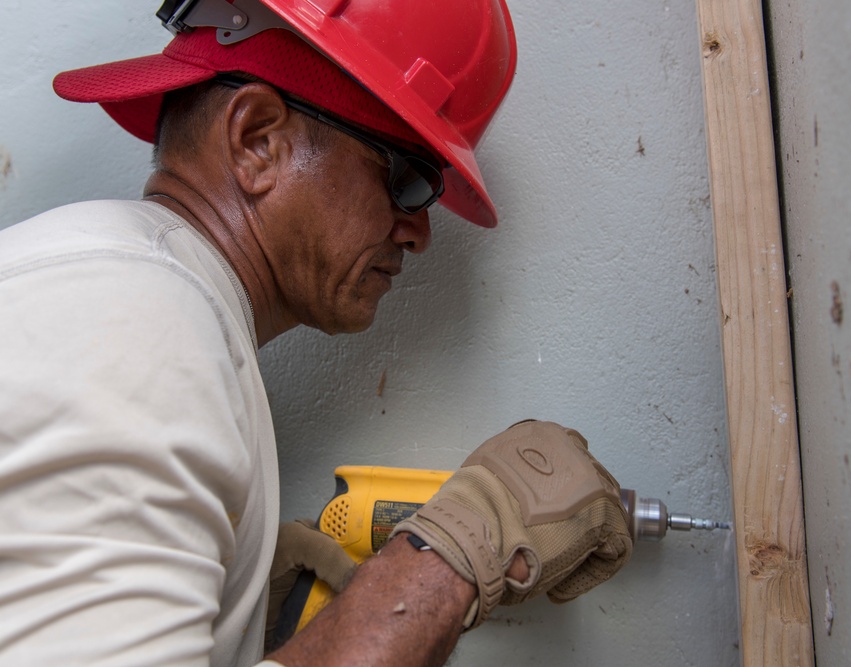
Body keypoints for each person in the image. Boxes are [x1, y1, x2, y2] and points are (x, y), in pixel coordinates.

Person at [0, 1, 633, 665]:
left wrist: (216, 591)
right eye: (408, 179)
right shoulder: (138, 337)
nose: (418, 231)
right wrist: (443, 564)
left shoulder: (130, 297)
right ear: (256, 140)